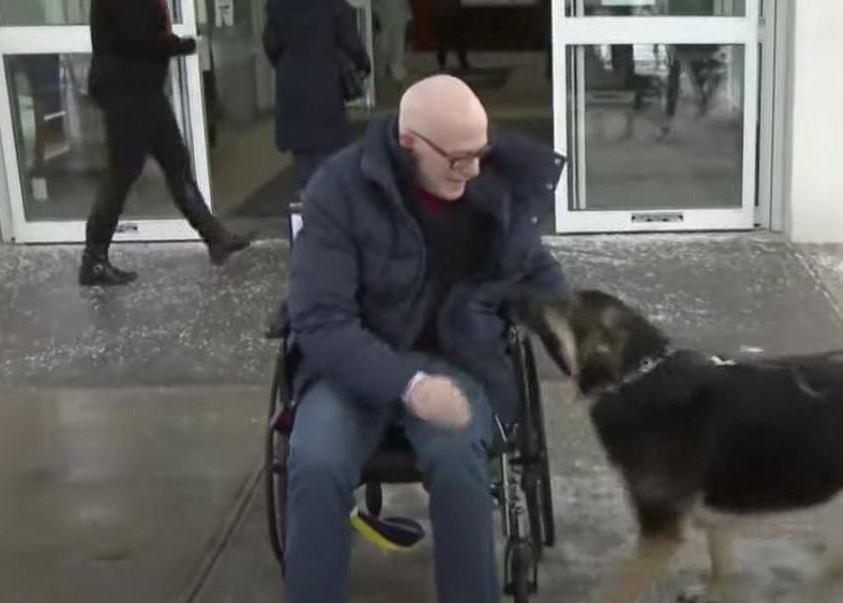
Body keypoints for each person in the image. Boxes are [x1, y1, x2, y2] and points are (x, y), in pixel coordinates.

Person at [284, 75, 568, 603]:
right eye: (457, 158)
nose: (473, 169)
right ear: (408, 140)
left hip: (459, 360)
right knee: (315, 458)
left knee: (461, 462)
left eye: (480, 152)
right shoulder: (338, 190)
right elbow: (320, 320)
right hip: (353, 364)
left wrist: (583, 352)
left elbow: (542, 279)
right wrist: (409, 385)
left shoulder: (493, 188)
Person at [84, 0, 253, 287]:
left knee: (176, 162)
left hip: (144, 92)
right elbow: (136, 37)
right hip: (126, 94)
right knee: (123, 172)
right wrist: (180, 45)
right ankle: (94, 260)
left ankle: (216, 238)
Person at [263, 0, 372, 194]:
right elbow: (351, 43)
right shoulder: (333, 4)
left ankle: (308, 206)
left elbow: (272, 45)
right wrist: (362, 64)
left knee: (303, 160)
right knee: (331, 159)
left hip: (293, 86)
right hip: (326, 84)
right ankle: (328, 210)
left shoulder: (277, 4)